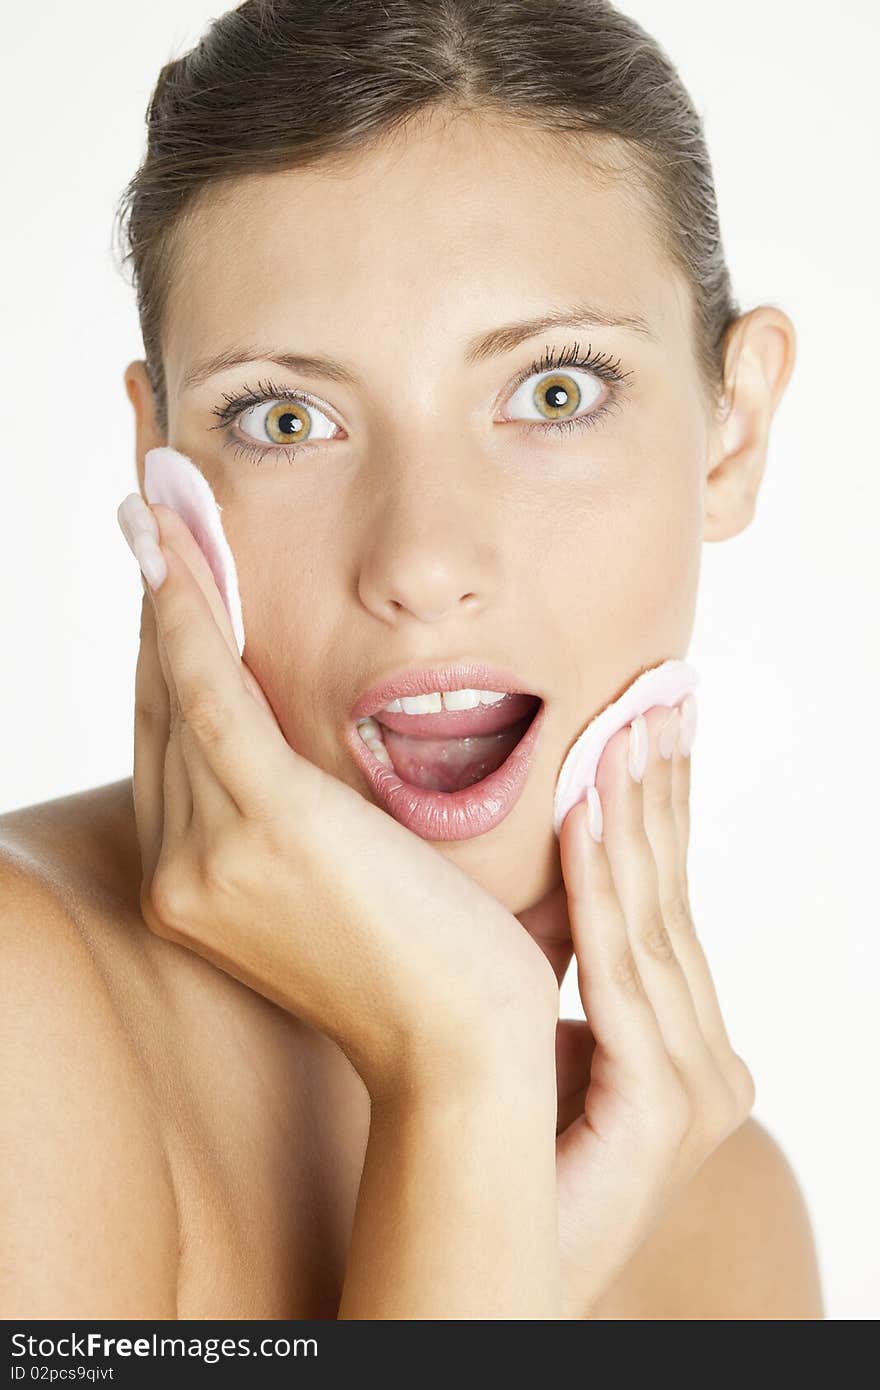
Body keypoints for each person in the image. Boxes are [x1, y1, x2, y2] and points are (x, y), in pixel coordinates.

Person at [0, 0, 823, 1319]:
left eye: (556, 389)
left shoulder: (714, 1206)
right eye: (286, 416)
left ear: (731, 431)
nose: (424, 559)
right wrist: (468, 1059)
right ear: (158, 460)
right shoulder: (17, 1013)